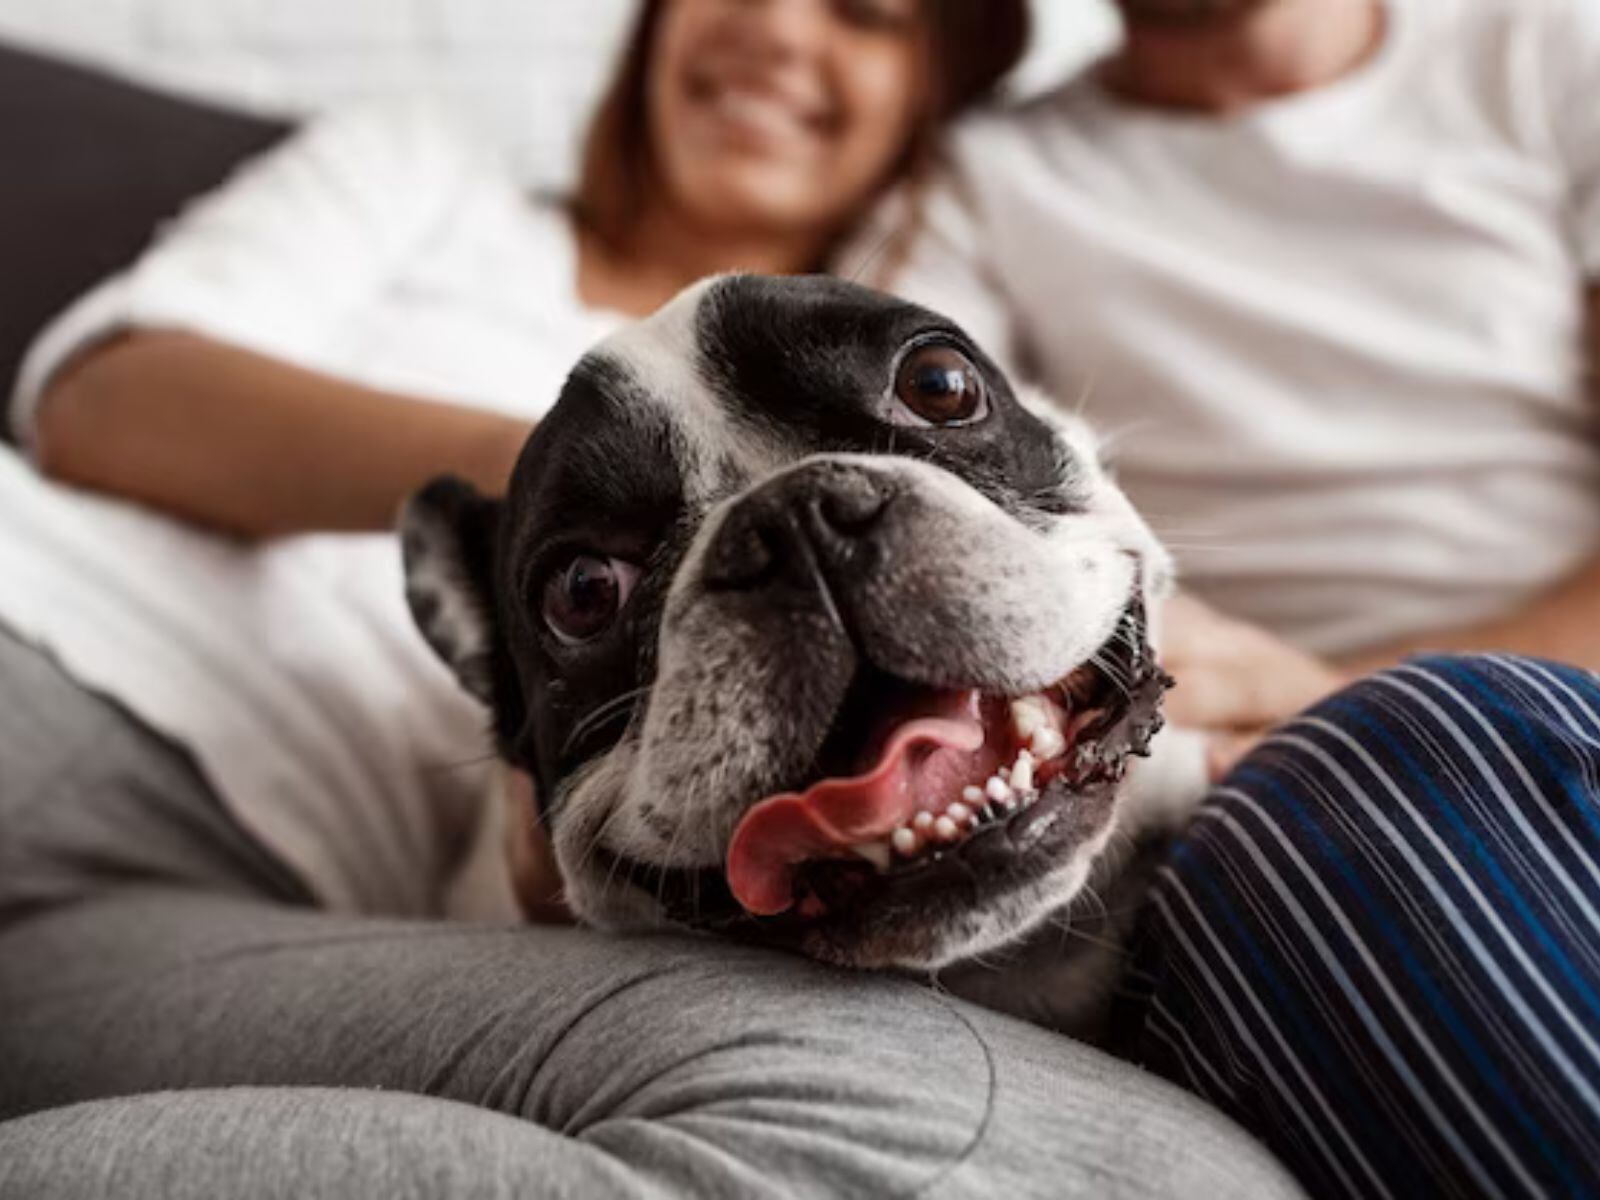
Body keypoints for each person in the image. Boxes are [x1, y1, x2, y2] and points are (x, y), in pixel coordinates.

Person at [1, 3, 1304, 1197]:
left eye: (865, 13)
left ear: (928, 104)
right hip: (51, 660)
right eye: (585, 589)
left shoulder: (957, 300)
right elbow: (104, 400)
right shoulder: (426, 177)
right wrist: (569, 468)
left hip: (202, 888)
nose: (782, 33)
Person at [875, 0, 1600, 1194]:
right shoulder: (991, 182)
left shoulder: (1540, 56)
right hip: (1280, 807)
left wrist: (1346, 698)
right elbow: (867, 459)